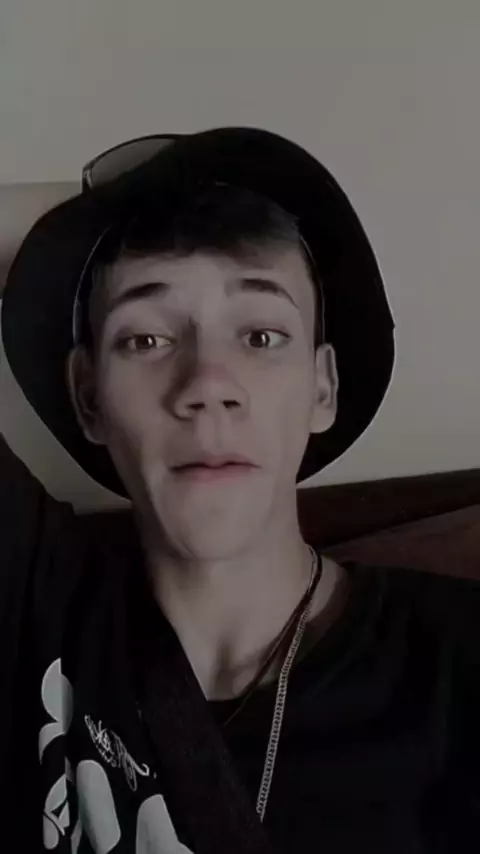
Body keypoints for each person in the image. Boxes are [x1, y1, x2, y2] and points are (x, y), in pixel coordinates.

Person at [0, 127, 478, 854]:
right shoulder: (35, 592)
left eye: (260, 337)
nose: (207, 385)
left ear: (322, 387)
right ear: (88, 395)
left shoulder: (457, 664)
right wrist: (120, 202)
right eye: (146, 339)